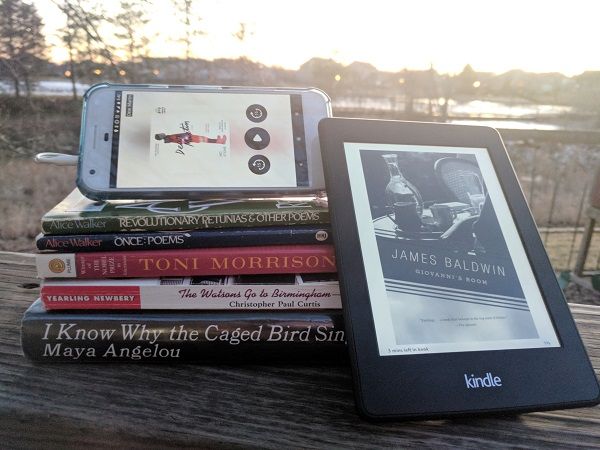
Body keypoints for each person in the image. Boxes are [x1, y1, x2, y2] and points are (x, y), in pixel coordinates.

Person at [154, 132, 226, 145]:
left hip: (190, 137)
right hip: (191, 138)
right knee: (205, 139)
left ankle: (218, 140)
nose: (162, 133)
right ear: (161, 137)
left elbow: (179, 138)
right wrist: (187, 136)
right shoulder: (169, 138)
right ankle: (219, 141)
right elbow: (180, 139)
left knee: (204, 138)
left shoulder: (169, 137)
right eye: (160, 135)